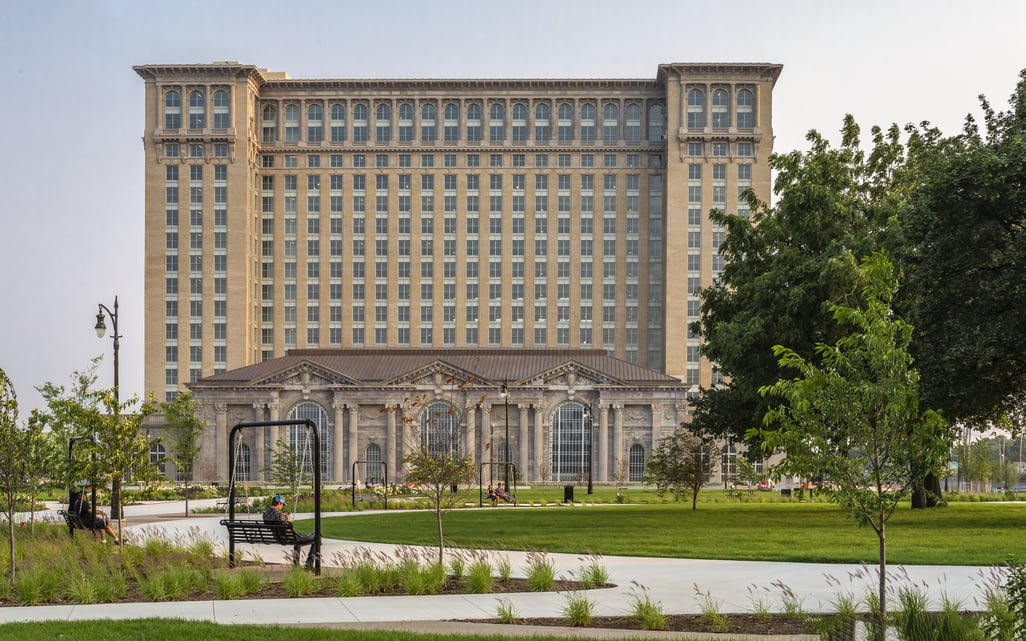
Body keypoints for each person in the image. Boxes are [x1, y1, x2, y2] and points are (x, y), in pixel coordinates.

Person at [262, 494, 317, 569]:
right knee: (317, 537)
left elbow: (275, 519)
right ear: (279, 503)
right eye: (282, 505)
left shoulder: (265, 515)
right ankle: (309, 564)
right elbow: (286, 527)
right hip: (289, 537)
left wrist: (284, 516)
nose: (282, 507)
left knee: (300, 538)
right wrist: (287, 518)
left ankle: (296, 565)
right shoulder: (281, 516)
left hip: (278, 537)